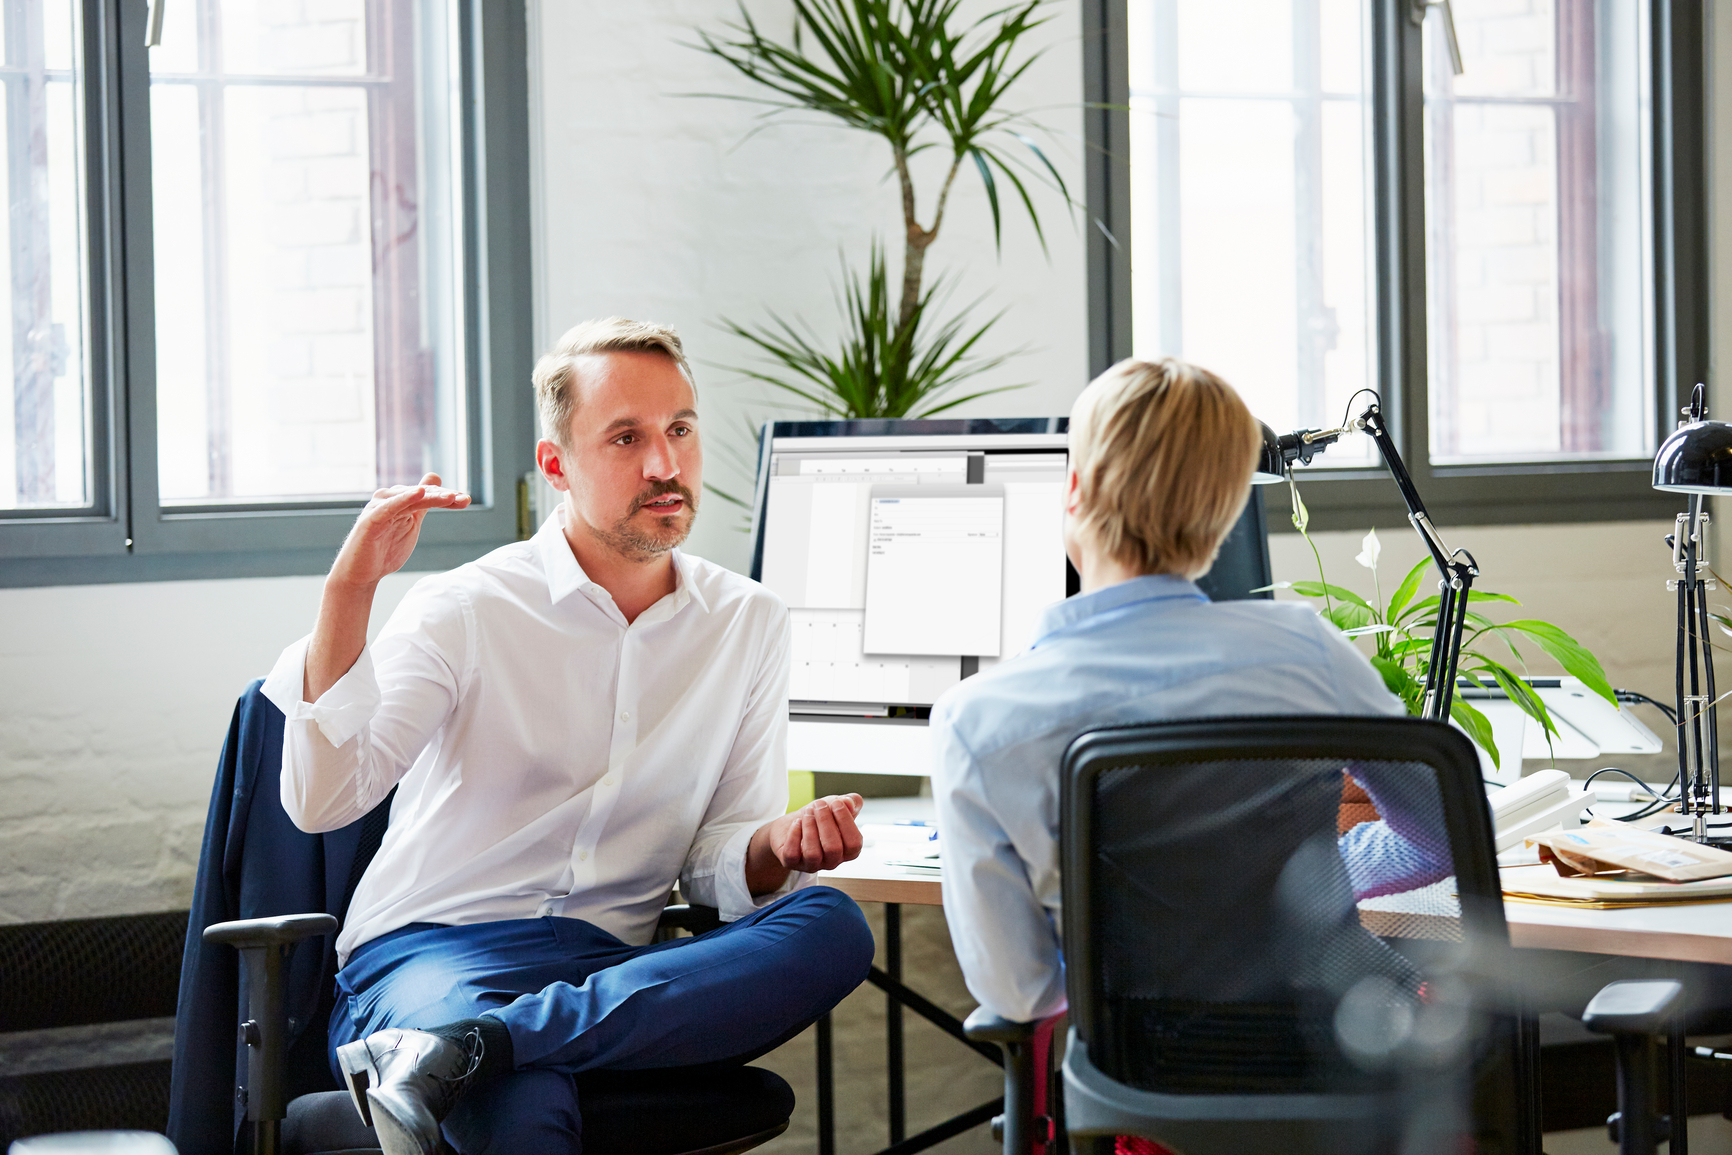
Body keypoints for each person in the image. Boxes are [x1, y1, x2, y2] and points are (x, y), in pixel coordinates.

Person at [260, 317, 875, 1155]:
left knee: (831, 926)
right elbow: (322, 799)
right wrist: (350, 591)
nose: (665, 465)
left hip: (609, 970)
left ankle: (472, 1052)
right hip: (437, 955)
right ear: (557, 464)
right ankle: (481, 1047)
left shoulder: (748, 621)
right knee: (522, 1107)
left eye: (680, 430)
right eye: (626, 437)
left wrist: (777, 844)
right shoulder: (468, 606)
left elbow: (714, 856)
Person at [929, 357, 1433, 1025]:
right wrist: (1299, 881)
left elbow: (1019, 990)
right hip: (1338, 1077)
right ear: (1226, 512)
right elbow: (1441, 834)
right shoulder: (1310, 653)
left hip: (1141, 1102)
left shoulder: (978, 722)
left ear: (1074, 490)